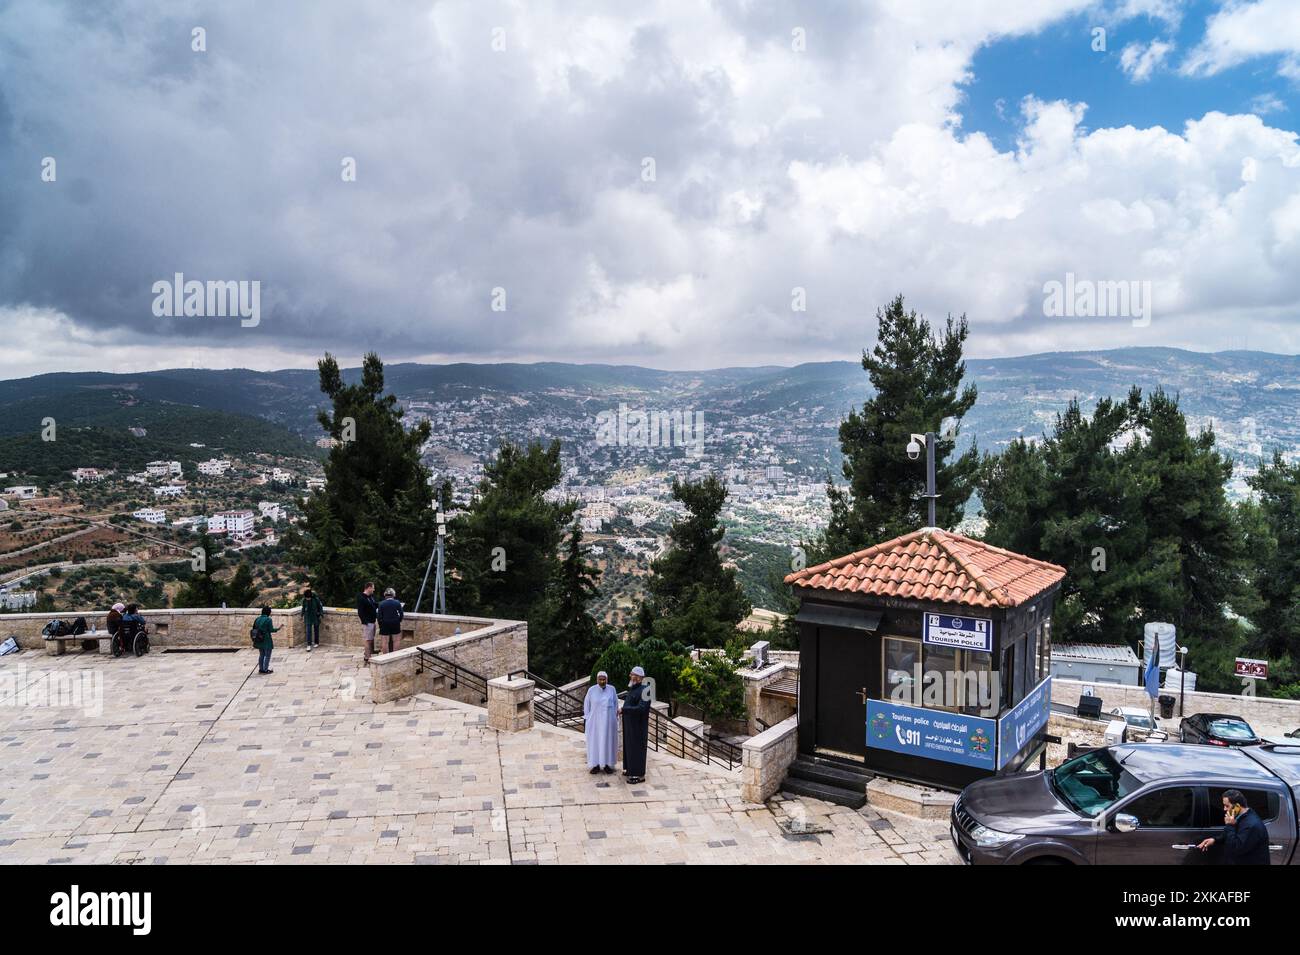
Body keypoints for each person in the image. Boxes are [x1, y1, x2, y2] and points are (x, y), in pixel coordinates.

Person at [1198, 789, 1270, 864]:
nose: (1224, 809)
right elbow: (1229, 835)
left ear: (1237, 806)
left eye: (1227, 806)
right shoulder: (1239, 816)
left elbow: (1235, 848)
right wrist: (1215, 840)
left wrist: (1230, 825)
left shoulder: (1251, 825)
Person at [583, 671, 619, 775]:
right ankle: (596, 765)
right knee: (595, 743)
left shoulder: (612, 689)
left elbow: (616, 704)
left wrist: (615, 718)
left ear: (607, 680)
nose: (602, 681)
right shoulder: (591, 690)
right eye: (600, 679)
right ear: (597, 679)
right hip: (595, 723)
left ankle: (607, 764)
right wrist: (588, 718)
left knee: (608, 743)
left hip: (608, 723)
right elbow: (587, 704)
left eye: (604, 679)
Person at [621, 666, 652, 784]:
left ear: (639, 677)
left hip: (638, 727)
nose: (630, 676)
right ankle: (630, 769)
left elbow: (642, 708)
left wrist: (624, 710)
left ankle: (638, 774)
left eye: (632, 674)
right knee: (629, 748)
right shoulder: (633, 688)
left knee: (637, 749)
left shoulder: (646, 690)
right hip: (630, 725)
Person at [252, 605, 281, 675]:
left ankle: (261, 669)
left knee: (261, 655)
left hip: (259, 639)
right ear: (268, 612)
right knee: (267, 655)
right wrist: (278, 628)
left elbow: (254, 628)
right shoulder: (268, 619)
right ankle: (265, 669)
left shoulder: (257, 619)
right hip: (266, 639)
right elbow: (271, 630)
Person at [376, 588, 404, 655]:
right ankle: (394, 656)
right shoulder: (397, 603)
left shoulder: (381, 604)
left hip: (384, 624)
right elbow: (401, 614)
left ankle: (385, 656)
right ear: (393, 595)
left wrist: (380, 625)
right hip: (395, 623)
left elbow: (379, 616)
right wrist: (398, 621)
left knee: (385, 642)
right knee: (396, 641)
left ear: (385, 595)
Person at [357, 582, 378, 663]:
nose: (374, 589)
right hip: (368, 622)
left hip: (372, 621)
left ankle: (370, 652)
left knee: (371, 638)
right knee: (367, 640)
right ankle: (367, 657)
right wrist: (365, 622)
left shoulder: (371, 596)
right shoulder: (361, 597)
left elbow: (374, 605)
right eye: (373, 588)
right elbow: (360, 611)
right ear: (368, 588)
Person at [301, 586, 324, 653]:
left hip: (315, 616)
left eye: (308, 598)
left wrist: (320, 614)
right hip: (307, 617)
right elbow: (303, 608)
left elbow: (320, 607)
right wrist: (302, 615)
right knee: (308, 631)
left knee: (316, 630)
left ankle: (316, 642)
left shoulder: (316, 599)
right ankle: (309, 645)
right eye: (306, 598)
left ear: (310, 596)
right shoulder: (304, 600)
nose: (307, 599)